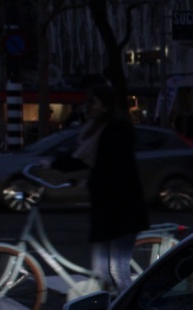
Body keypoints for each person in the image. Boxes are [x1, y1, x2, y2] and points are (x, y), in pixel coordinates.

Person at [55, 84, 150, 298]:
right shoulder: (96, 129)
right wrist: (55, 165)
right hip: (106, 212)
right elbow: (83, 160)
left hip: (122, 209)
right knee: (100, 271)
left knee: (118, 270)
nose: (89, 107)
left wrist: (89, 180)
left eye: (93, 102)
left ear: (105, 105)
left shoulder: (116, 130)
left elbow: (111, 167)